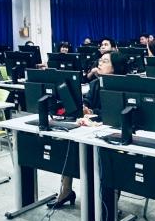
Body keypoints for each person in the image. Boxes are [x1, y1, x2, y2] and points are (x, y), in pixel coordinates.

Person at [51, 52, 130, 208]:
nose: (100, 63)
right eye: (100, 60)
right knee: (69, 144)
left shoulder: (124, 86)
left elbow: (118, 112)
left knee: (109, 156)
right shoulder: (95, 84)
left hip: (116, 131)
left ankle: (111, 203)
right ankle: (66, 190)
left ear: (115, 67)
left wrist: (93, 113)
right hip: (93, 128)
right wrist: (85, 108)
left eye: (105, 61)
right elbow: (87, 101)